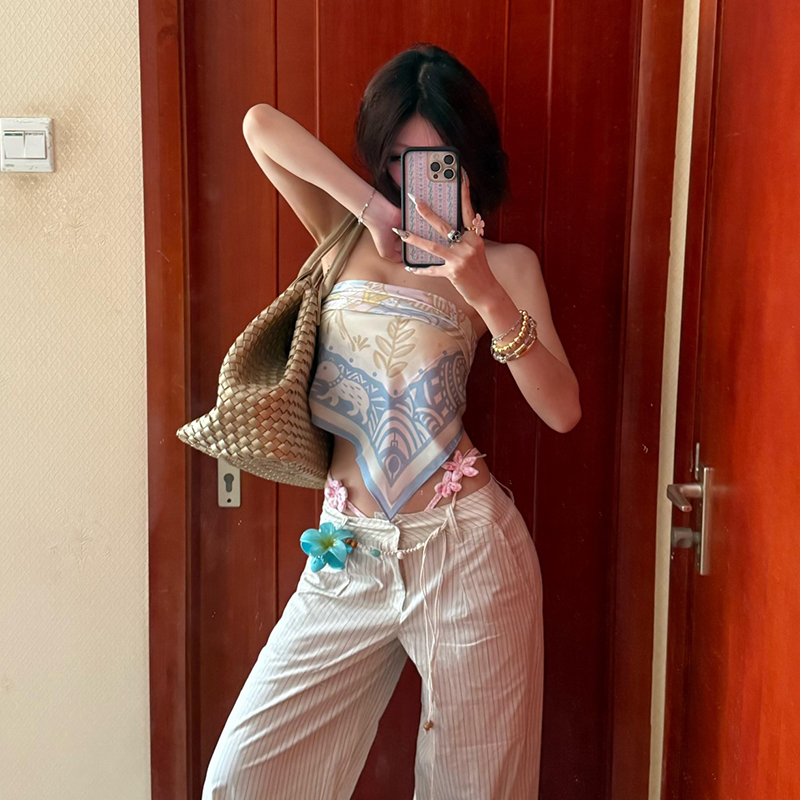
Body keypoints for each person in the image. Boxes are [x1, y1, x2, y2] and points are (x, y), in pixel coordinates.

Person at [203, 42, 581, 800]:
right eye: (401, 161)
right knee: (244, 778)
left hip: (468, 552)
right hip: (346, 554)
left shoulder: (509, 267)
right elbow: (258, 125)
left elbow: (563, 410)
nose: (419, 181)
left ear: (470, 160)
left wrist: (484, 292)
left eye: (438, 161)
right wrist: (372, 210)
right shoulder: (343, 235)